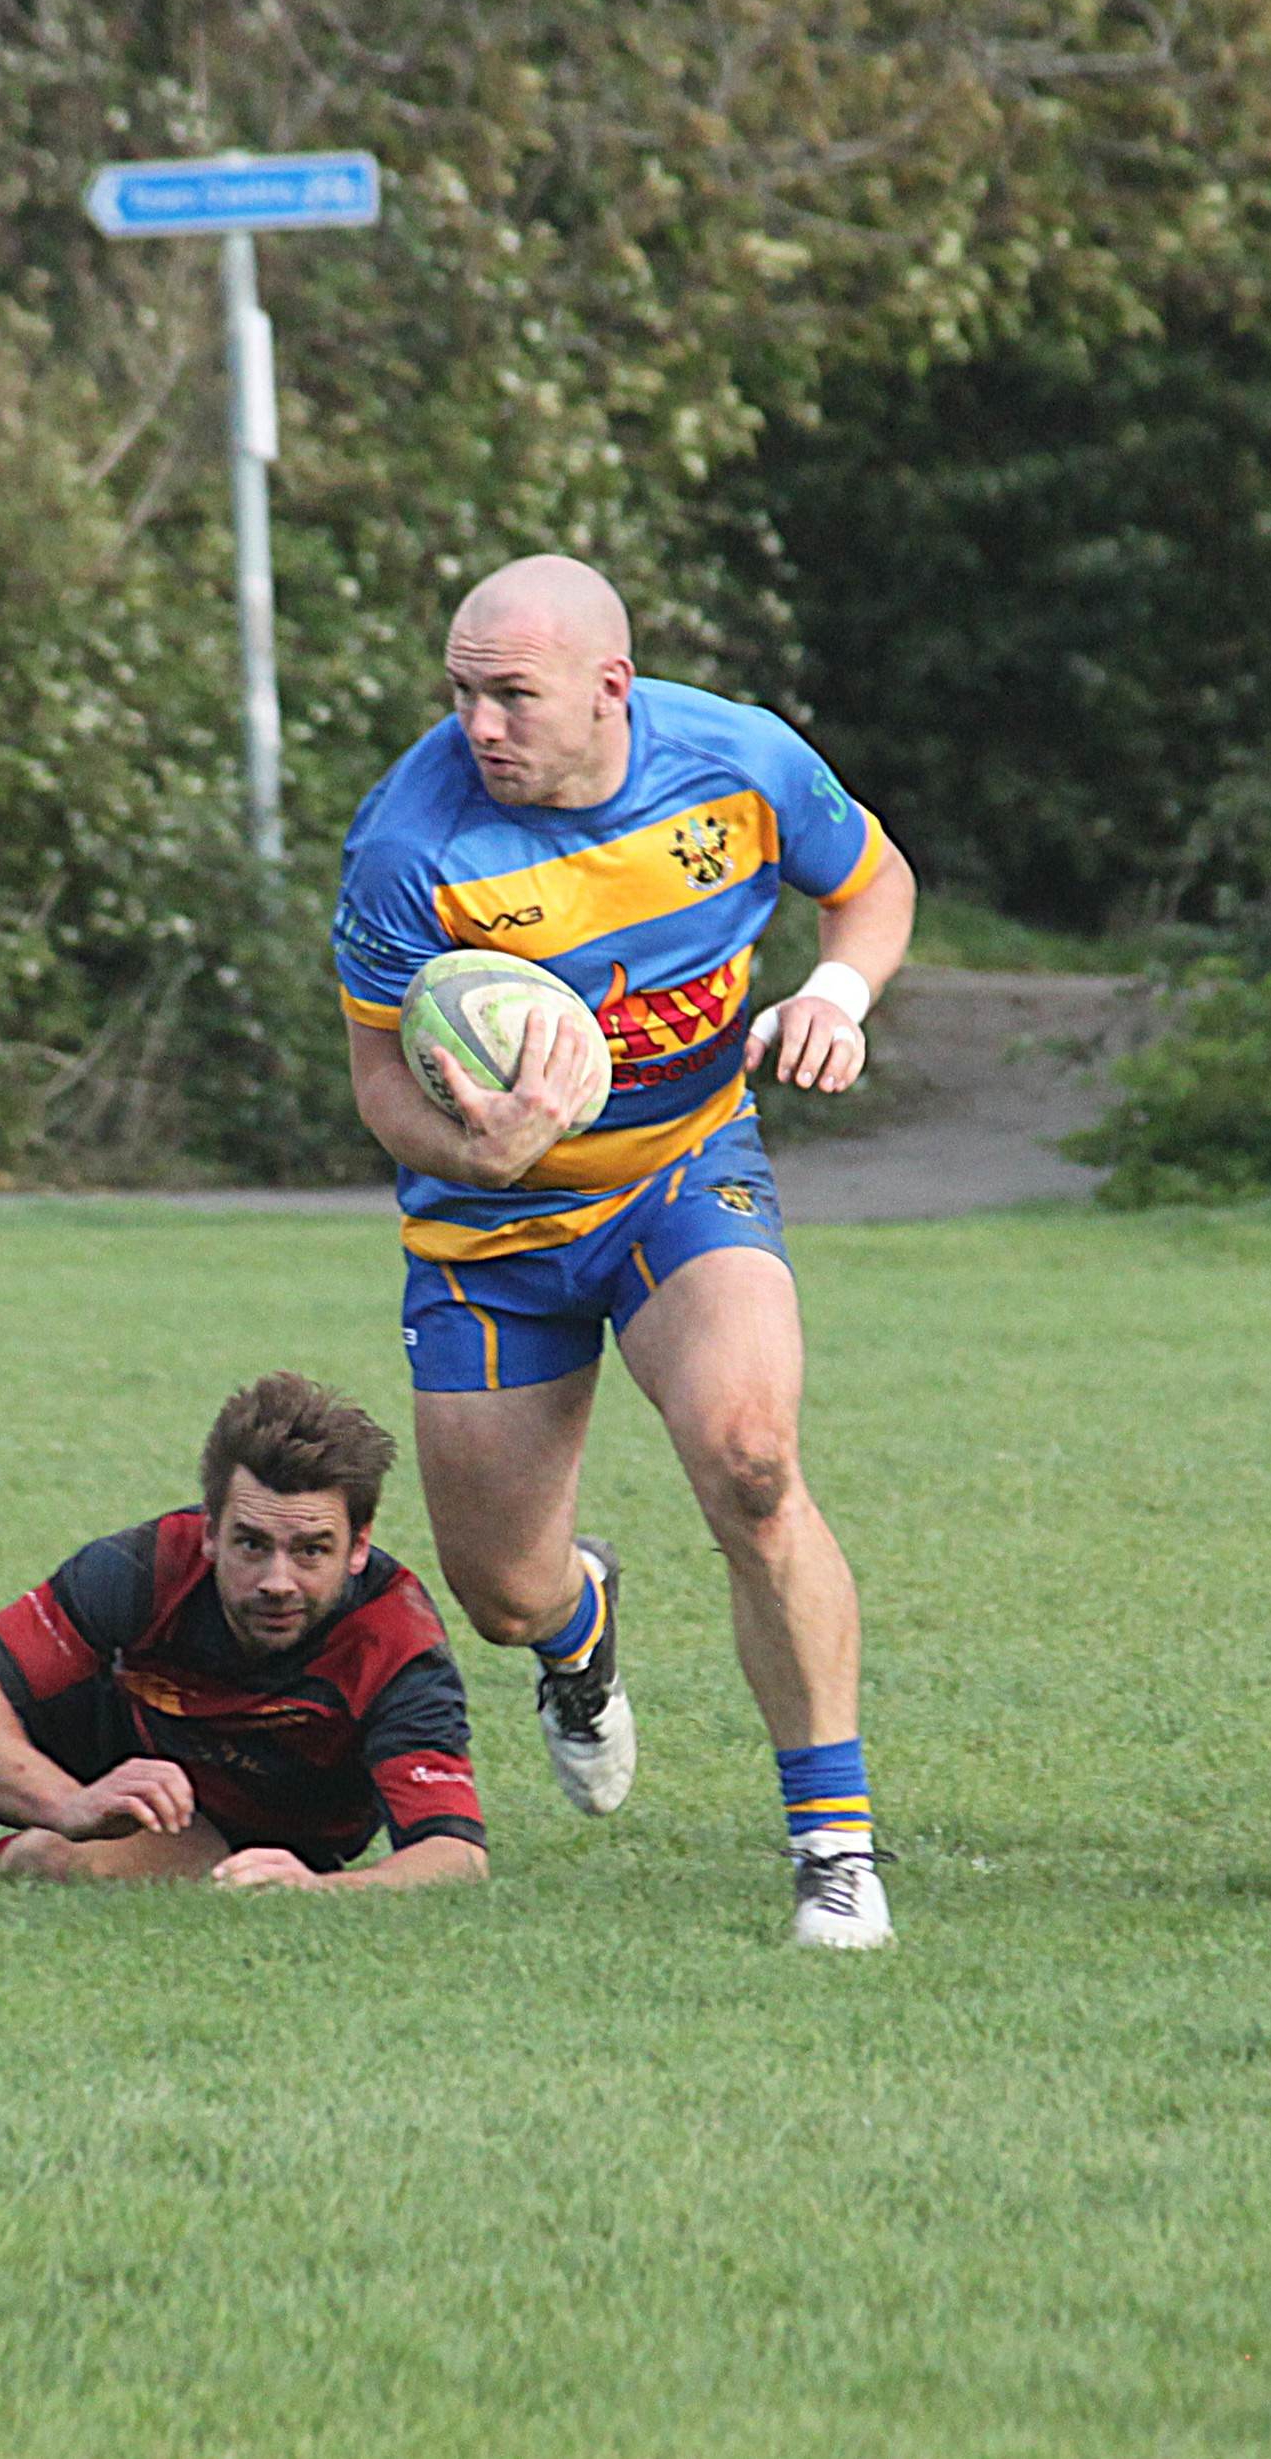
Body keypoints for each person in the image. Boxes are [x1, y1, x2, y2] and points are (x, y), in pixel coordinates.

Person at [331, 554, 918, 1947]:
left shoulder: (738, 762)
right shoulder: (411, 841)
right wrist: (483, 1151)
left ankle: (833, 1847)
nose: (478, 726)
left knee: (752, 1461)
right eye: (461, 693)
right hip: (487, 1234)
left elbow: (874, 880)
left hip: (682, 1176)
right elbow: (378, 1082)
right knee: (500, 1590)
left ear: (611, 686)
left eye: (512, 696)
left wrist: (837, 993)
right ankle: (576, 1627)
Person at [0, 1374, 487, 1892]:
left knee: (47, 1864)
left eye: (311, 1549)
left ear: (357, 1545)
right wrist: (70, 1801)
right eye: (251, 1543)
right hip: (93, 1751)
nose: (277, 1579)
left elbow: (452, 1853)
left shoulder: (396, 1642)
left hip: (216, 1832)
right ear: (209, 1530)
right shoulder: (146, 1565)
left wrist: (322, 1889)